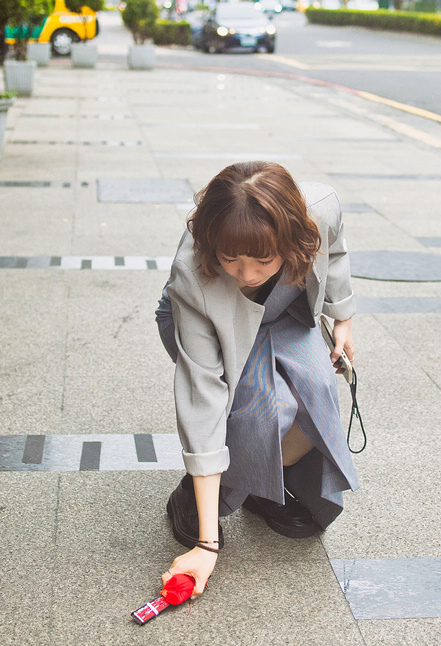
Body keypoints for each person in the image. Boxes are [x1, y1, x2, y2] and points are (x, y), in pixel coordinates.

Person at [154, 161, 359, 598]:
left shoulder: (318, 209)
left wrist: (343, 316)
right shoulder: (194, 275)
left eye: (262, 260)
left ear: (291, 239)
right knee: (263, 408)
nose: (247, 274)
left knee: (316, 396)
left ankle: (264, 483)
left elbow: (335, 249)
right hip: (212, 320)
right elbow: (202, 396)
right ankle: (194, 501)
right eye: (232, 258)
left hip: (283, 312)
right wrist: (205, 544)